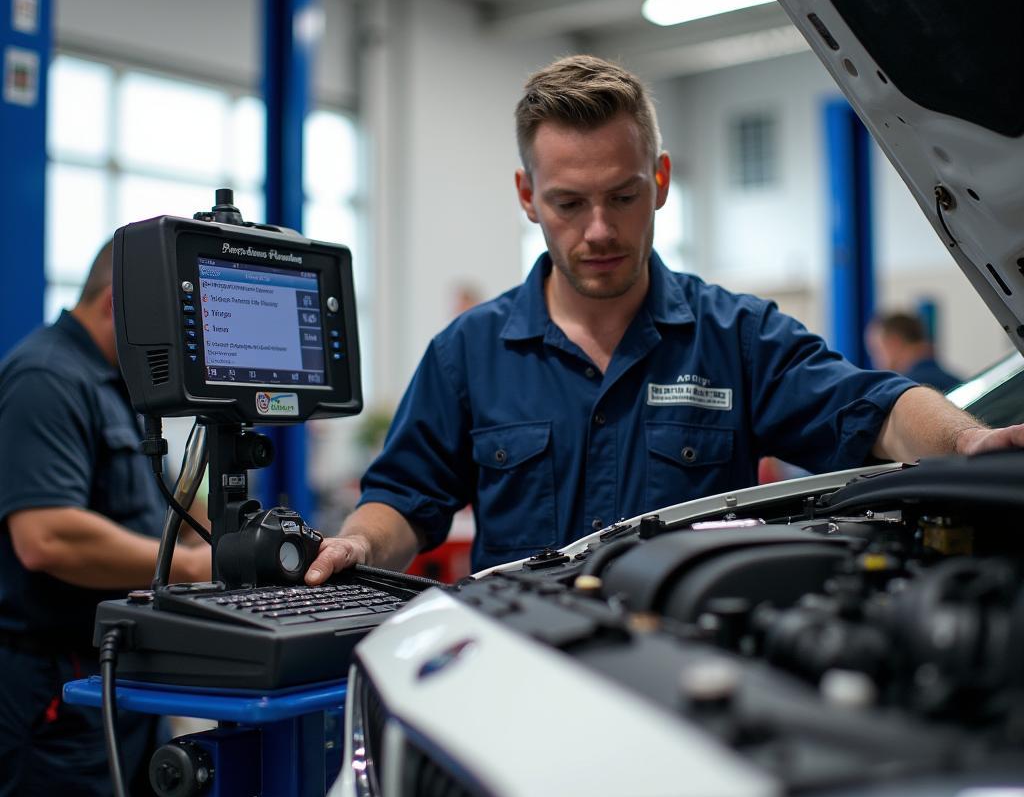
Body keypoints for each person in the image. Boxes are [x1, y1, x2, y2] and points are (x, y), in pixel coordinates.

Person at [305, 54, 1024, 582]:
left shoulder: (736, 338)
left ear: (661, 181)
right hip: (519, 672)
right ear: (527, 195)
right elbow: (401, 501)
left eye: (622, 197)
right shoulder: (469, 353)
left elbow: (878, 408)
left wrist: (969, 440)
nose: (598, 231)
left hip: (691, 681)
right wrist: (358, 545)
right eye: (567, 203)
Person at [0, 241, 208, 797]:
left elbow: (162, 503)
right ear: (122, 302)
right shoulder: (46, 378)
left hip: (131, 689)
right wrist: (197, 565)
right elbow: (47, 535)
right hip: (59, 695)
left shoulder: (126, 388)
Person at [866, 310, 964, 391]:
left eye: (876, 351)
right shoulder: (958, 382)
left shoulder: (905, 390)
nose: (875, 363)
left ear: (894, 343)